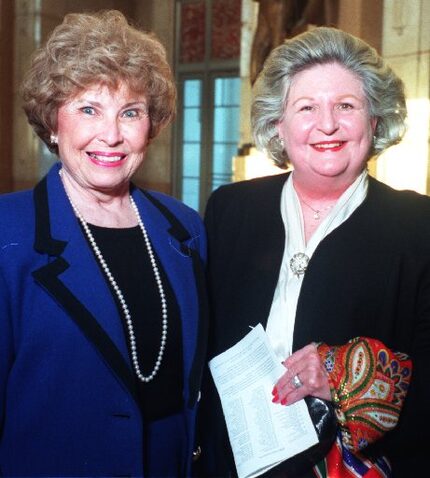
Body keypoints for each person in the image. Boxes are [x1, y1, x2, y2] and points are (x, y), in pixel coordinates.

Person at [197, 27, 428, 477]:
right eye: (306, 108)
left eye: (346, 106)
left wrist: (348, 379)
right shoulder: (230, 209)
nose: (327, 125)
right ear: (277, 125)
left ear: (375, 120)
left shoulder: (417, 226)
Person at [0, 10, 208, 477]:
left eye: (130, 112)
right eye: (88, 109)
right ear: (53, 122)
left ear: (150, 125)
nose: (111, 134)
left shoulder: (186, 229)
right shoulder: (6, 234)